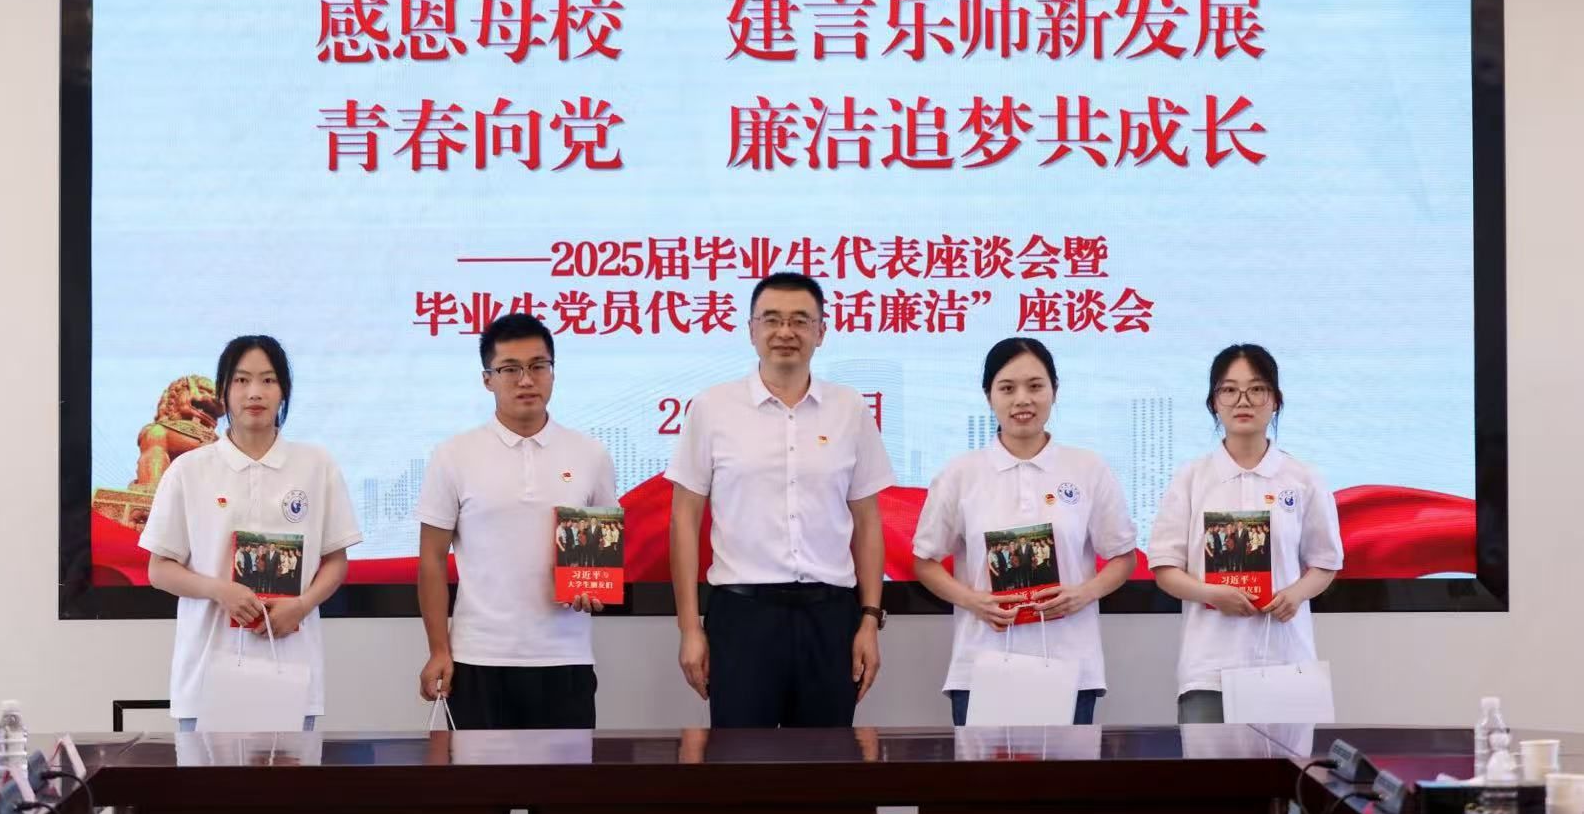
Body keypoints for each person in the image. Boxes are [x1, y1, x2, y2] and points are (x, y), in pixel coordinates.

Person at [667, 271, 893, 728]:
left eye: (800, 321)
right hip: (742, 617)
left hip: (831, 616)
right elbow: (684, 521)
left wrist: (869, 619)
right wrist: (690, 627)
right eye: (771, 319)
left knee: (828, 760)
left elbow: (868, 522)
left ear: (821, 332)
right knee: (740, 762)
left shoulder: (850, 409)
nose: (785, 332)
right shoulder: (712, 408)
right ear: (751, 330)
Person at [141, 335, 361, 732]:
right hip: (206, 675)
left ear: (283, 391)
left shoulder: (316, 465)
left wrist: (302, 605)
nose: (254, 392)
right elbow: (159, 569)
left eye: (268, 380)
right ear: (224, 392)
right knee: (207, 776)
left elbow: (335, 561)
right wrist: (219, 591)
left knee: (293, 775)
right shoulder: (189, 470)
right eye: (241, 380)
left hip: (292, 672)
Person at [913, 338, 1138, 726]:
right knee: (984, 770)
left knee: (1067, 769)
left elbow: (1122, 556)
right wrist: (973, 601)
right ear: (989, 396)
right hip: (982, 664)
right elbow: (925, 560)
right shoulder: (961, 474)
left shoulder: (1087, 468)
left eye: (1035, 386)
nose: (1022, 399)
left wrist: (1083, 593)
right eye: (1007, 388)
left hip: (1070, 662)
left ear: (1054, 391)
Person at [416, 313, 617, 729]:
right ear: (487, 379)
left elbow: (602, 550)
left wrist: (594, 589)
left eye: (538, 366)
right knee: (478, 773)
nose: (526, 380)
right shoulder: (454, 455)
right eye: (510, 369)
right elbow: (431, 560)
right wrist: (439, 650)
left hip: (565, 657)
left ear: (553, 372)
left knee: (566, 773)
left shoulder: (590, 455)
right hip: (479, 657)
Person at [1148, 344, 1344, 724]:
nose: (1243, 400)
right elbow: (1165, 568)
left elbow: (1326, 562)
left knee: (1287, 765)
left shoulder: (1303, 478)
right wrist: (1211, 594)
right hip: (1208, 669)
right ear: (1213, 402)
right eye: (1229, 390)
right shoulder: (1191, 478)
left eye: (1257, 389)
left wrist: (1295, 595)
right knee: (1211, 765)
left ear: (1275, 400)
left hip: (1286, 661)